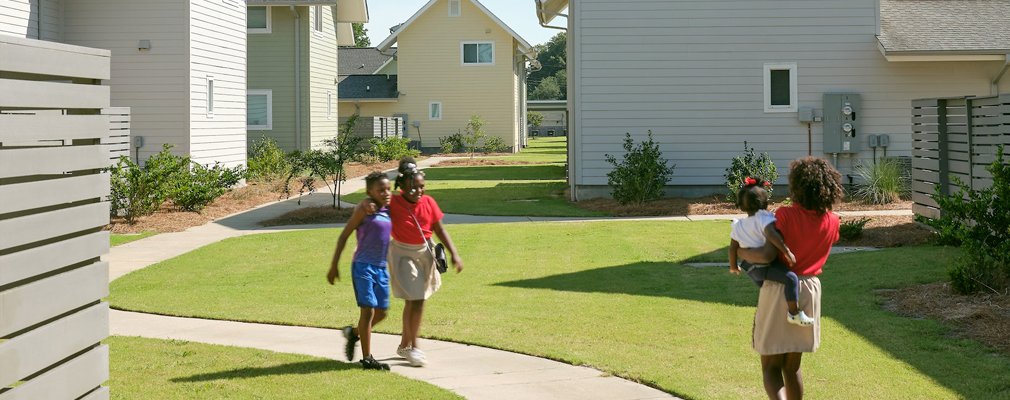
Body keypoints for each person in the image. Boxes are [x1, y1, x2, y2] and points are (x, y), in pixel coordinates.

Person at [737, 157, 843, 400]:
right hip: (810, 291)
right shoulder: (833, 220)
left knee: (771, 367)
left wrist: (739, 252)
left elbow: (766, 255)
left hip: (779, 289)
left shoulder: (785, 215)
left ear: (797, 187)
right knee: (792, 367)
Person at [360, 157, 464, 367]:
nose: (418, 191)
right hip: (403, 254)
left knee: (415, 301)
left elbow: (440, 229)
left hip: (424, 252)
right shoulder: (394, 202)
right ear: (401, 187)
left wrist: (454, 253)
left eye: (421, 187)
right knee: (416, 299)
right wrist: (367, 204)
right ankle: (414, 348)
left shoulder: (429, 202)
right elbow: (372, 203)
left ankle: (404, 346)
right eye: (412, 187)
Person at [327, 171, 393, 371]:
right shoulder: (364, 209)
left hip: (381, 268)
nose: (386, 193)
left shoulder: (388, 210)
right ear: (369, 191)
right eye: (380, 190)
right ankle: (367, 358)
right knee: (368, 310)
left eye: (388, 189)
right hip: (363, 266)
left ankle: (353, 333)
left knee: (381, 313)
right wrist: (334, 265)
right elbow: (344, 236)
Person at [728, 177, 813, 326]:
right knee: (791, 278)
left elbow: (733, 248)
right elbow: (773, 236)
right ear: (765, 204)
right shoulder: (763, 219)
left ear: (741, 206)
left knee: (771, 291)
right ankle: (794, 314)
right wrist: (787, 251)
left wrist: (733, 267)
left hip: (751, 269)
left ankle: (775, 316)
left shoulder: (738, 225)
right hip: (766, 266)